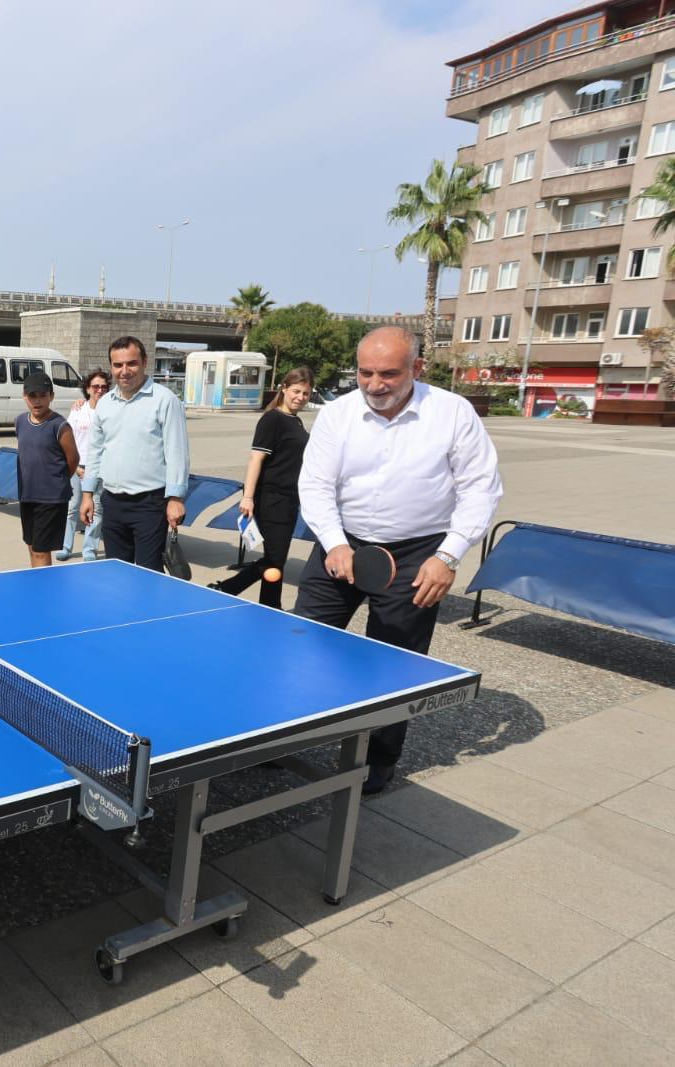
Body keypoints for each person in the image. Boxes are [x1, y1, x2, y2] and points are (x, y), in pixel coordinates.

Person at [296, 326, 503, 795]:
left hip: (417, 554)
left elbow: (480, 488)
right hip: (341, 543)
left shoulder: (453, 413)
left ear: (418, 368)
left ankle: (379, 759)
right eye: (365, 373)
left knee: (393, 663)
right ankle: (276, 740)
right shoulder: (337, 414)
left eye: (388, 373)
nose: (374, 384)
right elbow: (315, 485)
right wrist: (335, 543)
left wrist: (448, 555)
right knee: (302, 644)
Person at [80, 336, 189, 572]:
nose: (124, 371)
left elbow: (177, 453)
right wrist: (87, 494)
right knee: (117, 572)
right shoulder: (105, 404)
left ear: (145, 362)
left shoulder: (165, 400)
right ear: (111, 367)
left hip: (149, 505)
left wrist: (176, 499)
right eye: (118, 365)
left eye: (131, 363)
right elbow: (95, 451)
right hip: (112, 502)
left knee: (148, 573)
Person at [209, 367, 313, 607]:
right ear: (284, 389)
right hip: (272, 499)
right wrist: (248, 497)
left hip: (289, 500)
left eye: (306, 393)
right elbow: (256, 458)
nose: (301, 397)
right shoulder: (272, 419)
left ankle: (266, 603)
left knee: (275, 559)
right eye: (296, 391)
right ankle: (232, 589)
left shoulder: (295, 421)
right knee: (274, 559)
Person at [14, 370, 79, 568]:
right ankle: (36, 583)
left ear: (51, 396)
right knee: (32, 546)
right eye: (32, 395)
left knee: (41, 551)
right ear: (24, 396)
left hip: (51, 499)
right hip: (27, 495)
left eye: (42, 395)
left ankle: (43, 586)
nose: (37, 400)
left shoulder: (60, 426)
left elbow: (73, 459)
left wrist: (56, 481)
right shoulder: (20, 421)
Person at [55, 369, 109, 562]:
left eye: (103, 387)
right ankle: (65, 547)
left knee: (96, 509)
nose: (99, 390)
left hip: (99, 469)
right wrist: (76, 467)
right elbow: (68, 440)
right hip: (77, 466)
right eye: (95, 386)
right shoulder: (78, 409)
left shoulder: (110, 411)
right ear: (87, 389)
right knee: (72, 507)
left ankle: (89, 550)